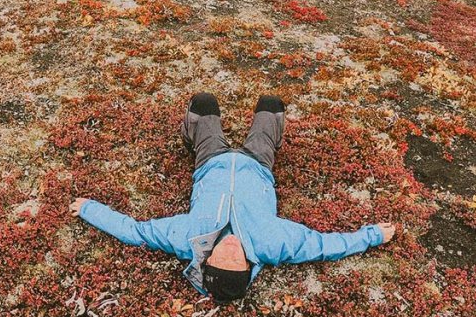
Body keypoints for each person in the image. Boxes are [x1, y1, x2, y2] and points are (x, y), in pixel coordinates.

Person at [70, 93, 396, 303]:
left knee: (203, 103)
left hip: (210, 161)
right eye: (235, 258)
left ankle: (192, 134)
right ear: (248, 266)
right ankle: (269, 135)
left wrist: (88, 208)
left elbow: (133, 231)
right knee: (271, 104)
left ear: (206, 261)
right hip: (258, 164)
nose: (229, 248)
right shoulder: (273, 243)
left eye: (220, 257)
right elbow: (325, 246)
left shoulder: (187, 238)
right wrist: (372, 236)